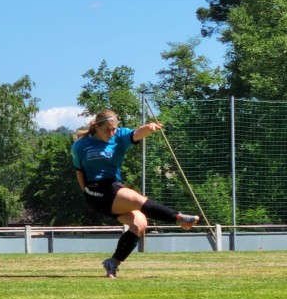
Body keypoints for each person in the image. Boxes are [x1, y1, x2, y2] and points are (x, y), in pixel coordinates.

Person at [72, 109, 199, 278]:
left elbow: (136, 134)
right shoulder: (80, 145)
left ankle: (113, 262)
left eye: (114, 128)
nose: (111, 132)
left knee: (139, 224)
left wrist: (148, 128)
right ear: (97, 127)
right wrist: (86, 193)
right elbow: (79, 172)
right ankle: (178, 218)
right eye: (107, 129)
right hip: (95, 189)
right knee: (136, 198)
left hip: (113, 187)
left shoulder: (119, 136)